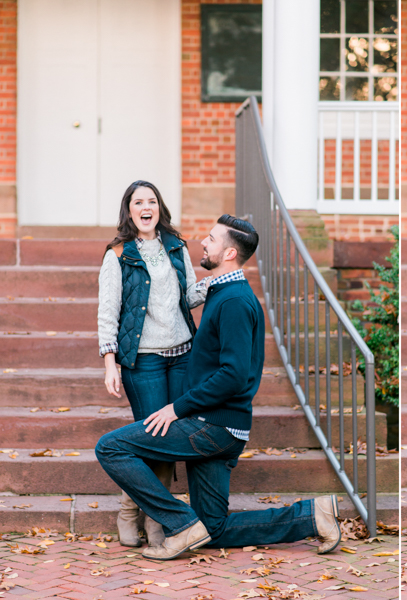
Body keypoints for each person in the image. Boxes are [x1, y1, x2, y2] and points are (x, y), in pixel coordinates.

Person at [96, 215, 341, 560]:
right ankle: (311, 516)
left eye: (211, 239)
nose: (203, 243)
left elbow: (234, 375)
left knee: (110, 447)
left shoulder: (235, 302)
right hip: (219, 425)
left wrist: (176, 408)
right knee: (213, 530)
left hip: (213, 426)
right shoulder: (223, 292)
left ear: (228, 253)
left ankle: (179, 524)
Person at [98, 180, 207, 547]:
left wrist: (216, 283)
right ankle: (138, 514)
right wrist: (110, 362)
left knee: (170, 437)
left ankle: (150, 517)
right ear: (128, 211)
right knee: (151, 437)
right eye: (137, 202)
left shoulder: (176, 246)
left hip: (182, 356)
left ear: (159, 207)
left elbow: (190, 296)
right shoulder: (118, 254)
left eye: (152, 201)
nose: (146, 207)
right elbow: (108, 312)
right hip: (142, 361)